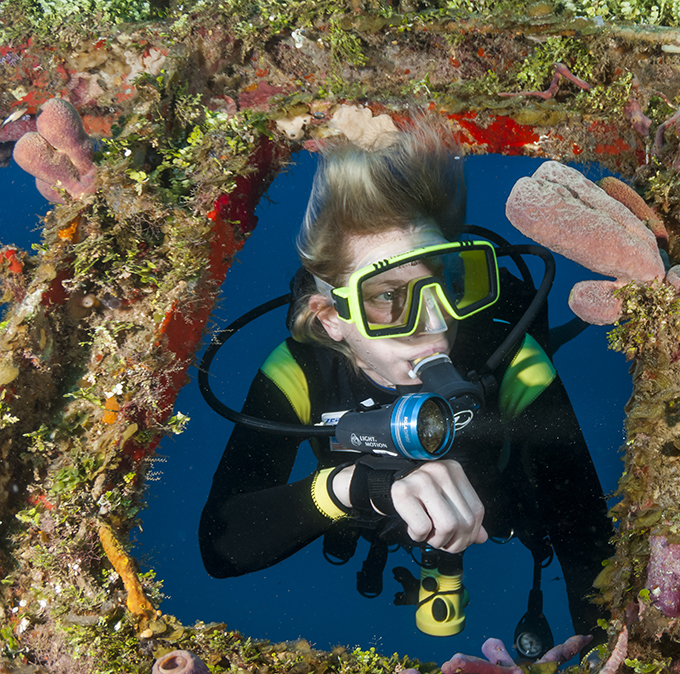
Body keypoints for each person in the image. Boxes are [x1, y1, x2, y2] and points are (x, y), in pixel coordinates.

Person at [198, 122, 613, 646]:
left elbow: (588, 541)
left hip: (502, 512)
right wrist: (352, 488)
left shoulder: (513, 364)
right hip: (364, 519)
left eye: (442, 282)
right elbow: (222, 546)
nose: (436, 324)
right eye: (387, 297)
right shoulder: (298, 372)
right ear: (330, 317)